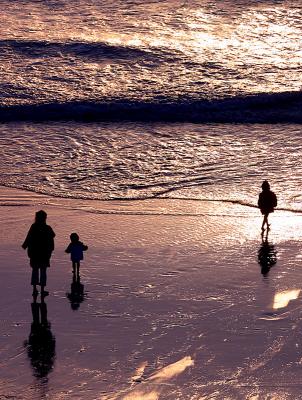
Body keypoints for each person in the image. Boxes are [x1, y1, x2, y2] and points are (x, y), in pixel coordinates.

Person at [22, 210, 55, 297]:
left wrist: (25, 246)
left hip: (34, 253)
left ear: (36, 218)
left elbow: (28, 237)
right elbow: (52, 237)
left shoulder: (33, 227)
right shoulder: (48, 228)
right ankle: (42, 290)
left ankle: (34, 289)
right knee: (43, 271)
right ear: (45, 218)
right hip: (44, 254)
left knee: (35, 270)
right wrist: (51, 249)